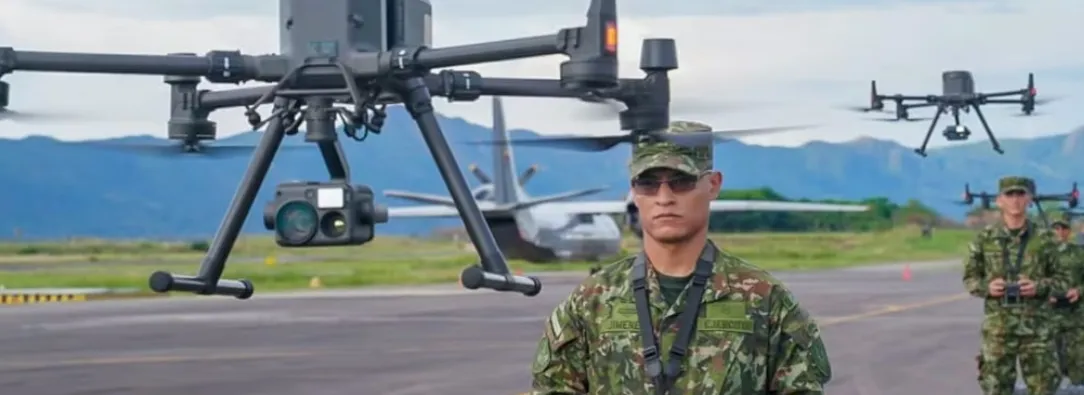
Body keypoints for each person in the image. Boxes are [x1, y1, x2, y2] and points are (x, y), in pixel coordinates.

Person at [529, 121, 831, 395]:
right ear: (634, 191)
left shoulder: (765, 300)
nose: (664, 198)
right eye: (648, 183)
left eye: (681, 181)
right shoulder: (590, 301)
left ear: (712, 185)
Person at [962, 176, 1070, 395]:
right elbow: (970, 278)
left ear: (1029, 199)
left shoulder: (1047, 239)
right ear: (999, 200)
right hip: (999, 330)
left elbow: (1065, 279)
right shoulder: (984, 239)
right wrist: (987, 287)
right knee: (996, 388)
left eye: (1020, 194)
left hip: (1037, 329)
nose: (1015, 200)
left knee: (1043, 388)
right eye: (1009, 195)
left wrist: (1038, 286)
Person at [1049, 218, 1084, 385]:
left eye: (1064, 229)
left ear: (1069, 232)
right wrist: (1045, 294)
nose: (1060, 232)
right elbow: (1032, 279)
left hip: (1076, 312)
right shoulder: (1041, 255)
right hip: (1050, 312)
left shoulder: (1079, 253)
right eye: (1056, 228)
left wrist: (1079, 290)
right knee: (1051, 357)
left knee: (1078, 356)